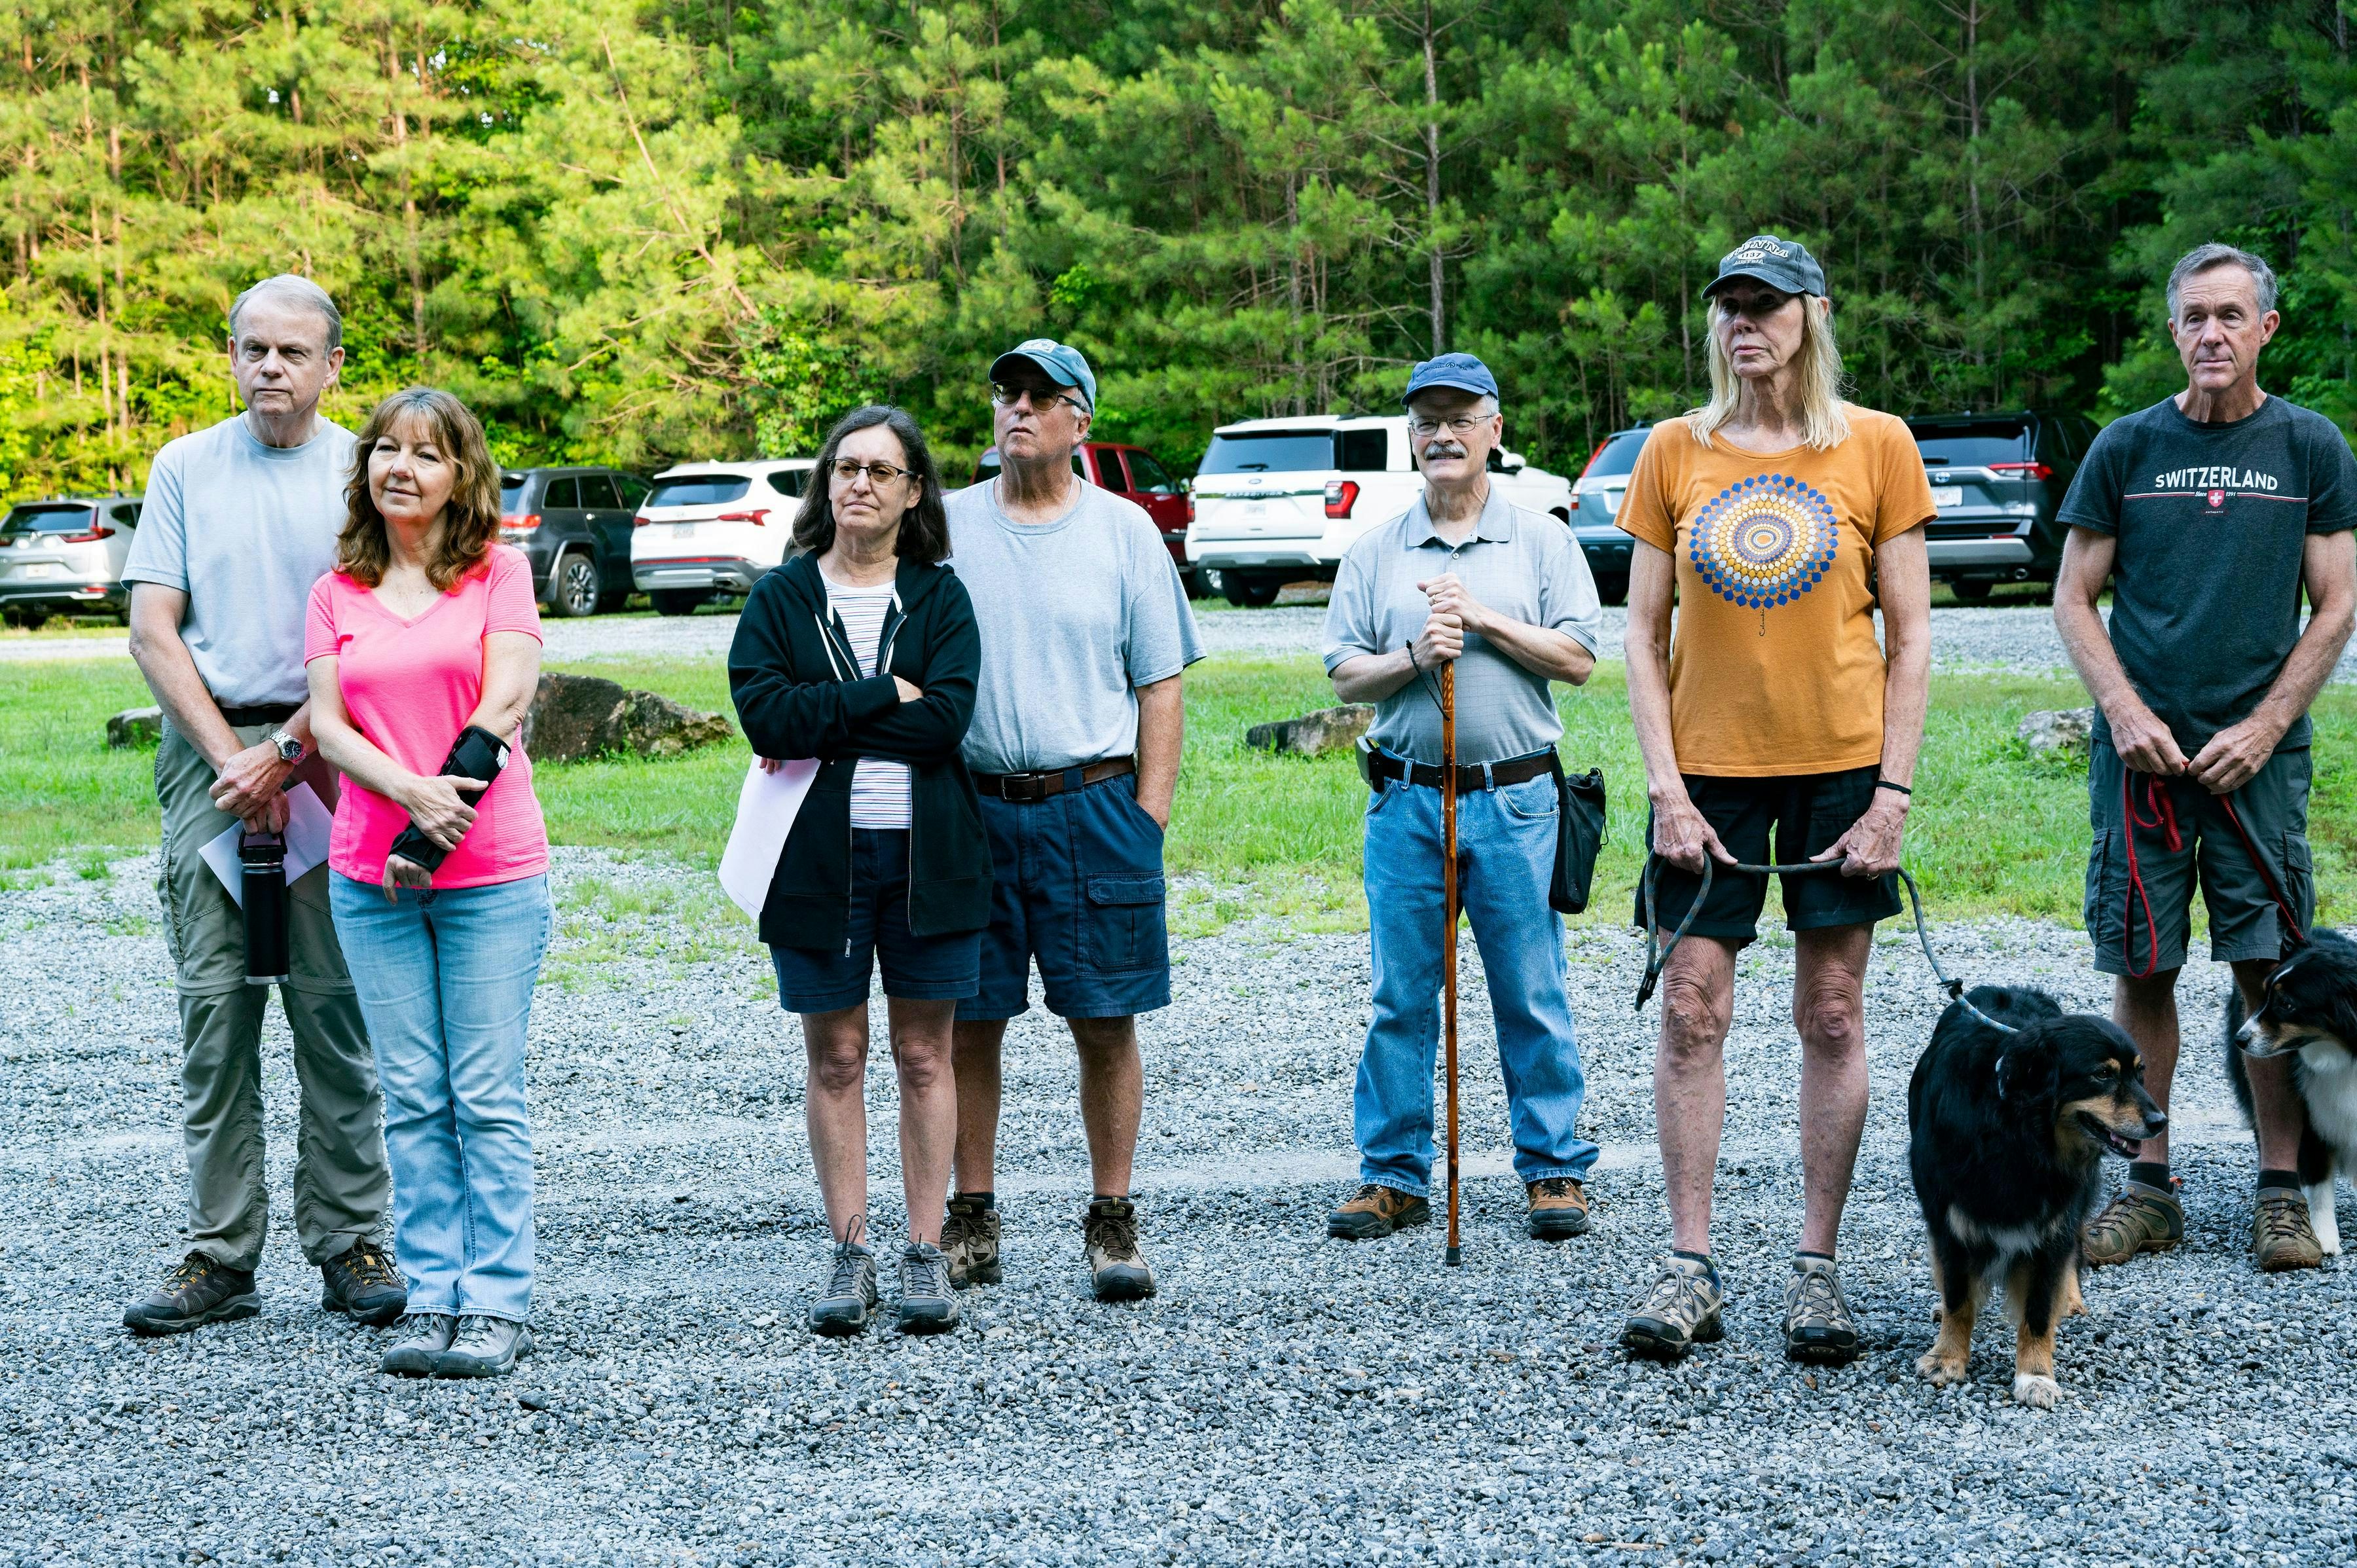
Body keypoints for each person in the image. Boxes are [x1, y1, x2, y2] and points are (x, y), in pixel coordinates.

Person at [1615, 235, 1935, 1363]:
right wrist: (1665, 786)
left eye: (1766, 306)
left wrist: (1891, 795)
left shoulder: (1878, 447)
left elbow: (1911, 639)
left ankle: (1817, 1272)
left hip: (1842, 769)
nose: (1743, 324)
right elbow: (1642, 643)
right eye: (1728, 308)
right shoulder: (1672, 450)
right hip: (1705, 775)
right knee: (1692, 1007)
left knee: (1833, 1013)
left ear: (1813, 315)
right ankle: (1690, 1266)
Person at [2053, 243, 2357, 1274]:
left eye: (2232, 315)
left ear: (2267, 328)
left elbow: (2338, 604)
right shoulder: (2126, 447)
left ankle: (2281, 1191)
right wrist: (2127, 713)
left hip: (2257, 761)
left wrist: (2268, 726)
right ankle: (2149, 1189)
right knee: (2143, 967)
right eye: (2195, 317)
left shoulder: (2310, 446)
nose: (2212, 334)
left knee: (2270, 969)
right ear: (2172, 329)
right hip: (2141, 764)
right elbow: (2072, 596)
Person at [119, 275, 404, 1336]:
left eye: (293, 352)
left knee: (335, 1006)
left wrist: (286, 756)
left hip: (335, 754)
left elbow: (380, 629)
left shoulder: (361, 470)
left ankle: (351, 1239)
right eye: (252, 349)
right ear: (231, 357)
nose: (269, 367)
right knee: (217, 1007)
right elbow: (155, 630)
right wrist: (231, 763)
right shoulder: (185, 466)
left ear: (334, 366)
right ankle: (220, 1254)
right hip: (208, 745)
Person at [1320, 353, 1606, 1246]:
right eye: (1426, 420)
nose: (1442, 433)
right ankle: (1394, 1177)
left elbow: (1579, 659)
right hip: (1407, 803)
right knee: (1401, 996)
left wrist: (1482, 621)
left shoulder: (1542, 541)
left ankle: (1553, 1169)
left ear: (1495, 431)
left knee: (1530, 988)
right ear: (1413, 437)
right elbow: (1344, 674)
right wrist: (1415, 657)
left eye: (1460, 417)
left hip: (1516, 801)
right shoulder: (1375, 550)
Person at [939, 338, 1204, 1302]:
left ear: (1079, 422)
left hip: (1093, 804)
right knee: (970, 1022)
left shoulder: (1125, 532)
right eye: (1007, 391)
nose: (1019, 409)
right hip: (972, 806)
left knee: (1105, 1018)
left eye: (1043, 397)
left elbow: (1161, 684)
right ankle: (971, 1215)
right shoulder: (951, 525)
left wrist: (1148, 819)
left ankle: (1113, 1218)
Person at [306, 387, 553, 1378]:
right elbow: (325, 727)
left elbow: (509, 696)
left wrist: (444, 816)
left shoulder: (500, 572)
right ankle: (434, 1295)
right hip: (372, 875)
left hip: (490, 870)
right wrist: (412, 795)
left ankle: (497, 1302)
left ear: (462, 476)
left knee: (484, 1093)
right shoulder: (337, 589)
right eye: (385, 450)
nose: (401, 467)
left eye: (427, 454)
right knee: (410, 1095)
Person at [728, 407, 989, 1337]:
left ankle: (923, 1254)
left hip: (930, 859)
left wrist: (827, 713)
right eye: (846, 467)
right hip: (816, 861)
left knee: (925, 1053)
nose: (860, 484)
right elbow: (768, 718)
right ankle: (851, 1254)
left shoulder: (941, 598)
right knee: (835, 1056)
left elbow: (945, 723)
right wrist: (885, 695)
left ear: (914, 490)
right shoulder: (782, 599)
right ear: (826, 483)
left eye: (882, 470)